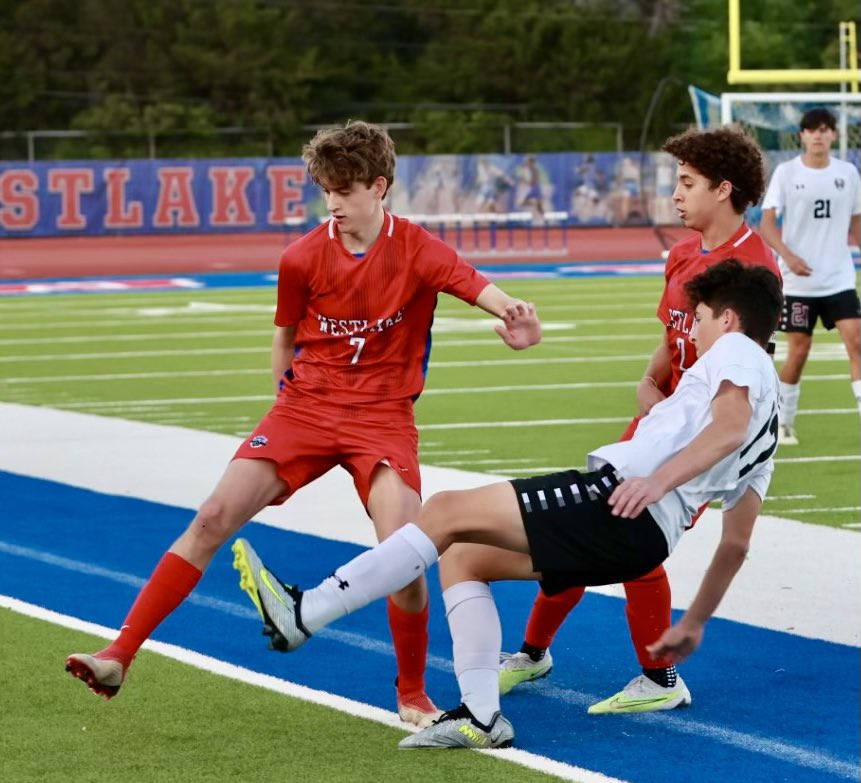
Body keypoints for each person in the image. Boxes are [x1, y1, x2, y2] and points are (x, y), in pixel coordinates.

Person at [64, 120, 543, 728]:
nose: (333, 204)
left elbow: (482, 289)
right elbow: (284, 337)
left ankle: (413, 693)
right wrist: (283, 414)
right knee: (211, 517)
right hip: (305, 409)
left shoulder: (419, 249)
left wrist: (518, 320)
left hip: (382, 418)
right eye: (326, 191)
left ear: (379, 187)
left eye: (345, 190)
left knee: (404, 555)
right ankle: (118, 655)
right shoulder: (301, 257)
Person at [233, 259, 783, 749]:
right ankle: (481, 717)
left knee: (445, 511)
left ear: (729, 319)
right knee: (463, 556)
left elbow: (728, 427)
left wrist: (658, 481)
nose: (694, 331)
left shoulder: (737, 351)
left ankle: (306, 613)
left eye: (700, 318)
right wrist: (695, 622)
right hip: (640, 537)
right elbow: (735, 544)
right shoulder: (771, 421)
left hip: (617, 503)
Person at [499, 125, 781, 713]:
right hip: (657, 425)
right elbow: (672, 336)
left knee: (623, 538)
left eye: (688, 182)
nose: (675, 193)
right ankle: (536, 654)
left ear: (724, 188)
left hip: (694, 442)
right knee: (584, 524)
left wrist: (688, 433)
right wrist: (649, 380)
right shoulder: (682, 253)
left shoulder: (756, 268)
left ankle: (656, 677)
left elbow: (746, 377)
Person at [759, 107, 861, 445]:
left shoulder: (848, 173)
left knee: (856, 341)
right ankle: (784, 422)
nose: (818, 135)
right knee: (799, 351)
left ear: (833, 134)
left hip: (839, 278)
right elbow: (767, 224)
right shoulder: (787, 173)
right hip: (798, 283)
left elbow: (857, 221)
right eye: (811, 129)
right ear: (802, 135)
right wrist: (788, 256)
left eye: (824, 129)